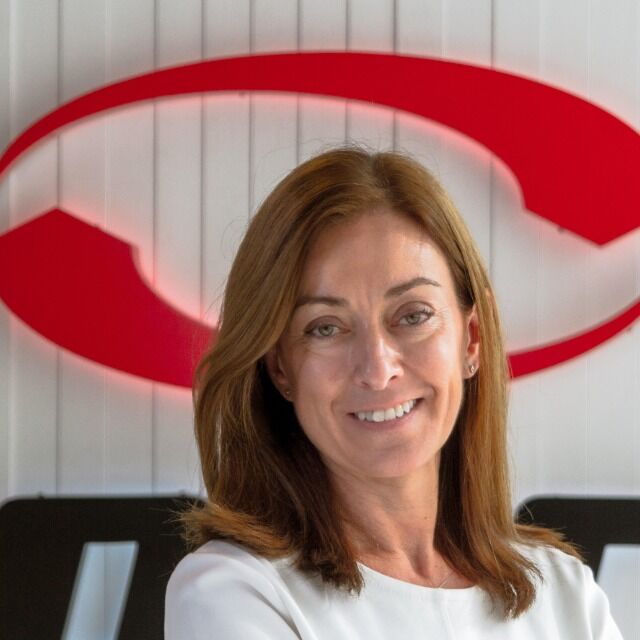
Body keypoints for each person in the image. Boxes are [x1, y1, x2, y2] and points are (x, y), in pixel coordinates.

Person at [165, 147, 623, 639]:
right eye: (325, 327)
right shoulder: (234, 591)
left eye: (413, 316)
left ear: (471, 339)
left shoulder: (563, 591)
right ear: (280, 368)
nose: (378, 369)